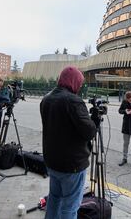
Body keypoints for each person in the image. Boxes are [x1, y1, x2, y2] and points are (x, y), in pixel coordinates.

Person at [40, 66, 97, 219]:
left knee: (54, 199)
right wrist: (95, 120)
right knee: (70, 207)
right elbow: (89, 132)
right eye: (79, 83)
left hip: (52, 161)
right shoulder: (73, 101)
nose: (79, 86)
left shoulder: (47, 98)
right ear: (73, 82)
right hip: (71, 165)